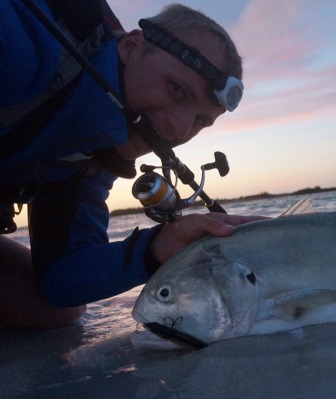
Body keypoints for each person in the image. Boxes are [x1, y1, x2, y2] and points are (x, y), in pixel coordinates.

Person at [0, 0, 263, 329]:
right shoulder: (25, 42)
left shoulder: (92, 156)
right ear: (131, 46)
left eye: (200, 121)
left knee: (57, 314)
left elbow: (60, 280)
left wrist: (156, 249)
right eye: (177, 90)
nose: (179, 129)